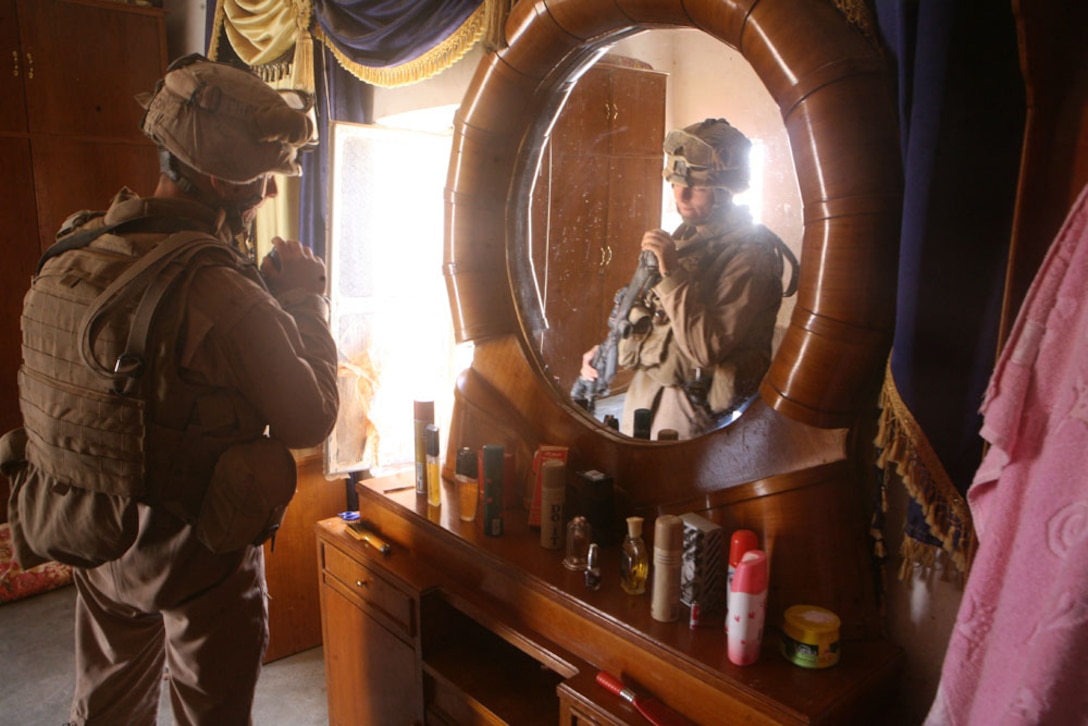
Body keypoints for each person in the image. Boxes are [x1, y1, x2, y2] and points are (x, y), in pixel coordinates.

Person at [20, 55, 338, 724]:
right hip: (199, 554)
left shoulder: (79, 246)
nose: (265, 197)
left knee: (107, 704)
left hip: (96, 529)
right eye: (259, 182)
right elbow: (311, 420)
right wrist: (305, 302)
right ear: (220, 179)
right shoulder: (223, 290)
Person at [580, 118, 797, 439]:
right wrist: (605, 349)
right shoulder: (686, 237)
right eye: (675, 183)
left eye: (697, 187)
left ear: (726, 191)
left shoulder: (752, 256)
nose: (681, 195)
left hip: (694, 410)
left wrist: (671, 271)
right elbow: (658, 319)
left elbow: (705, 350)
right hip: (645, 394)